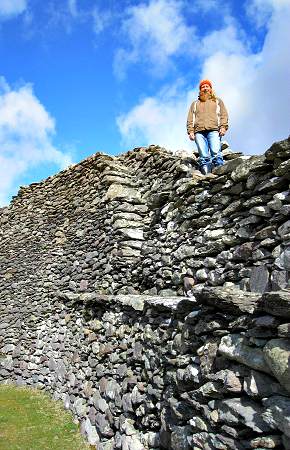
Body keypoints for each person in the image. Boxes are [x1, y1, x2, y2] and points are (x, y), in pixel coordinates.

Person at [186, 79, 229, 175]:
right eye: (203, 87)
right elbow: (190, 118)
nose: (205, 88)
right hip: (198, 132)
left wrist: (223, 127)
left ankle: (220, 172)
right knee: (203, 155)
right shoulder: (195, 104)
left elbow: (223, 115)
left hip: (214, 130)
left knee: (216, 152)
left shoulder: (217, 101)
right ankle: (205, 174)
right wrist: (190, 131)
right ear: (200, 90)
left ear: (210, 89)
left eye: (207, 86)